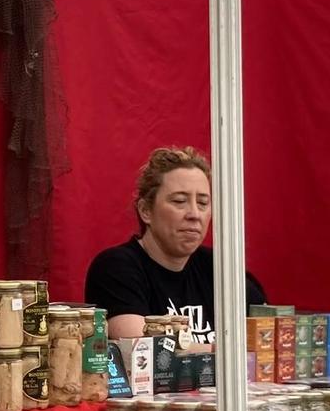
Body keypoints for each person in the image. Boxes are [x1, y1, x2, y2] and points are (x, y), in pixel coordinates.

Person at [83, 146, 264, 348]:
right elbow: (139, 348)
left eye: (203, 203)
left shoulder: (220, 268)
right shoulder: (116, 267)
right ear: (145, 211)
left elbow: (268, 335)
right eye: (179, 201)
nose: (194, 214)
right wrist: (227, 352)